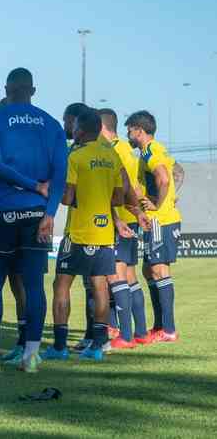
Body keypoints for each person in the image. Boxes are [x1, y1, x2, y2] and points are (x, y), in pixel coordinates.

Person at [0, 68, 67, 373]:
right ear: (33, 90)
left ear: (6, 89)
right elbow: (60, 174)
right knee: (34, 285)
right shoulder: (51, 124)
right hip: (37, 214)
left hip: (3, 212)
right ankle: (30, 356)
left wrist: (30, 185)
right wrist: (50, 211)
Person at [44, 109, 130, 362]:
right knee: (100, 286)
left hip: (78, 232)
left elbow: (68, 197)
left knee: (61, 286)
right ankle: (98, 346)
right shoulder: (111, 156)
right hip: (104, 233)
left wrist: (53, 191)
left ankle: (60, 346)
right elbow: (118, 196)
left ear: (80, 129)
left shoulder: (76, 157)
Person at [98, 108, 154, 348]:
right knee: (130, 277)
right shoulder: (129, 152)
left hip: (117, 220)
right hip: (129, 218)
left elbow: (116, 189)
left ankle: (126, 336)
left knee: (116, 277)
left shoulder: (111, 151)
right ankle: (140, 332)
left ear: (101, 127)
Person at [125, 110, 181, 343]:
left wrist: (158, 204)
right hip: (161, 217)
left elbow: (165, 178)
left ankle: (168, 329)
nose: (128, 133)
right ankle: (160, 326)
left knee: (158, 270)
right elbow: (178, 172)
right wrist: (171, 199)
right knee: (150, 270)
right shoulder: (157, 150)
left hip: (160, 220)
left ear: (139, 130)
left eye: (129, 129)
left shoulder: (150, 151)